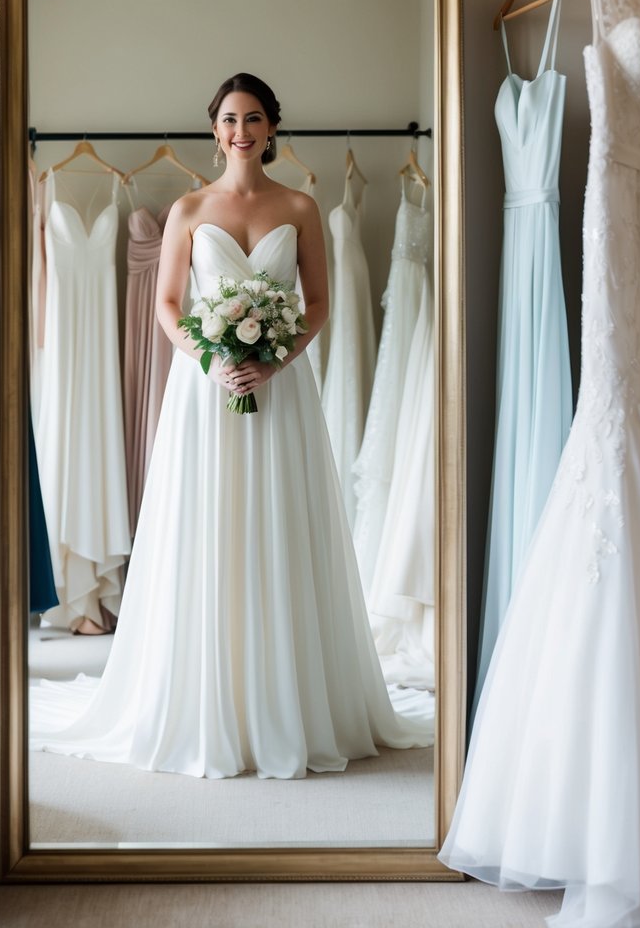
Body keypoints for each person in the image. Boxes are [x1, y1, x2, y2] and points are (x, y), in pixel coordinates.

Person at [30, 72, 432, 778]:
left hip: (280, 391)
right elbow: (167, 305)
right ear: (213, 130)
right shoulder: (188, 207)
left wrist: (271, 363)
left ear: (271, 127)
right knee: (206, 525)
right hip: (205, 390)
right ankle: (205, 695)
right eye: (227, 119)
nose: (239, 131)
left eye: (251, 118)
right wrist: (211, 356)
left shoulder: (301, 206)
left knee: (277, 523)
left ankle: (289, 699)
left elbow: (315, 305)